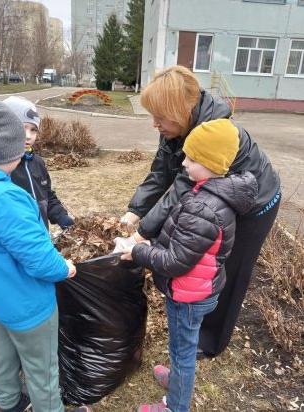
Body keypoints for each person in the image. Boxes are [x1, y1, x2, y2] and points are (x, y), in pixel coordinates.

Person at [120, 65, 281, 358]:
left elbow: (182, 189)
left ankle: (209, 341)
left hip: (255, 204)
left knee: (228, 269)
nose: (154, 123)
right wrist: (134, 211)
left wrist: (142, 234)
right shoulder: (176, 126)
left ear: (181, 109)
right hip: (217, 200)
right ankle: (195, 318)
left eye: (160, 116)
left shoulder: (213, 132)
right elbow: (161, 171)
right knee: (201, 260)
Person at [0, 96, 90, 412]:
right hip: (28, 305)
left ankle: (8, 402)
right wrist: (64, 267)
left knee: (2, 352)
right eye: (20, 136)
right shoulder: (3, 198)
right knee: (42, 369)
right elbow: (39, 259)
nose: (27, 142)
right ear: (6, 150)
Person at [120, 118, 258, 412]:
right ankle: (178, 380)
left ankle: (175, 405)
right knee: (182, 344)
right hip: (201, 288)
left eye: (192, 158)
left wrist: (141, 252)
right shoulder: (214, 194)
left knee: (182, 350)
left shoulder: (203, 207)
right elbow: (187, 245)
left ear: (210, 164)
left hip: (188, 295)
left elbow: (175, 262)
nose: (183, 163)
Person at [3, 96, 74, 230]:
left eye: (33, 130)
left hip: (41, 238)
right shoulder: (2, 168)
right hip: (18, 241)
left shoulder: (37, 162)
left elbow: (46, 196)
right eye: (22, 128)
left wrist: (61, 216)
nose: (28, 136)